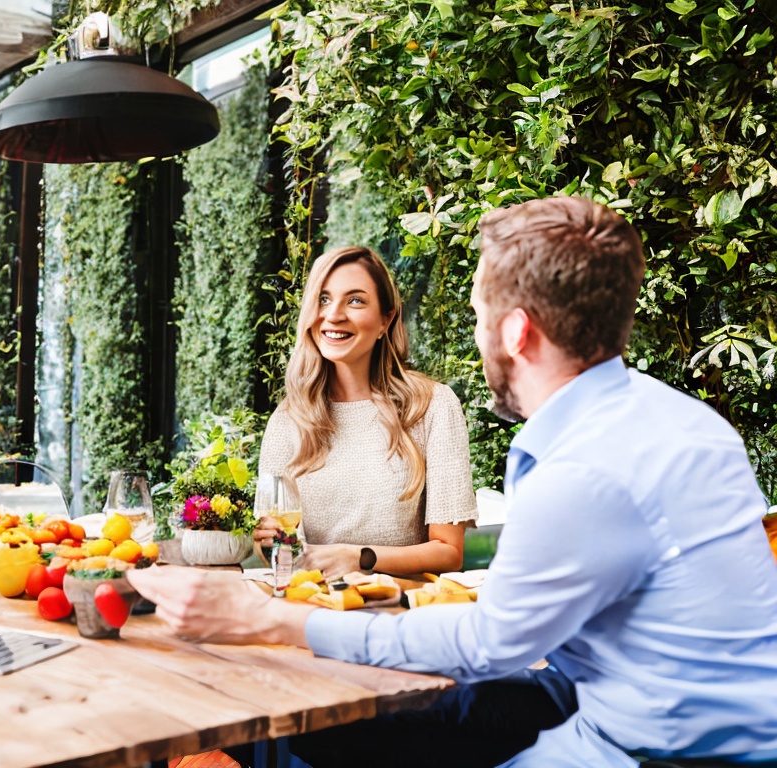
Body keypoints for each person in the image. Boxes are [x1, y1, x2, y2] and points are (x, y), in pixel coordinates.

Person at [130, 196, 777, 767]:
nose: (476, 331)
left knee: (358, 731)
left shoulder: (581, 466)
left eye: (478, 313)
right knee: (362, 729)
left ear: (517, 332)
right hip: (629, 697)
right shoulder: (686, 423)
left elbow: (486, 643)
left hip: (657, 748)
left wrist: (272, 620)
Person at [253, 245, 478, 579]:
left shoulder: (432, 405)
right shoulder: (288, 420)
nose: (333, 315)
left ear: (386, 319)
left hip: (398, 614)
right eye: (324, 299)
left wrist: (361, 558)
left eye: (355, 300)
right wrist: (271, 543)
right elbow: (271, 547)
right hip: (314, 610)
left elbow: (449, 551)